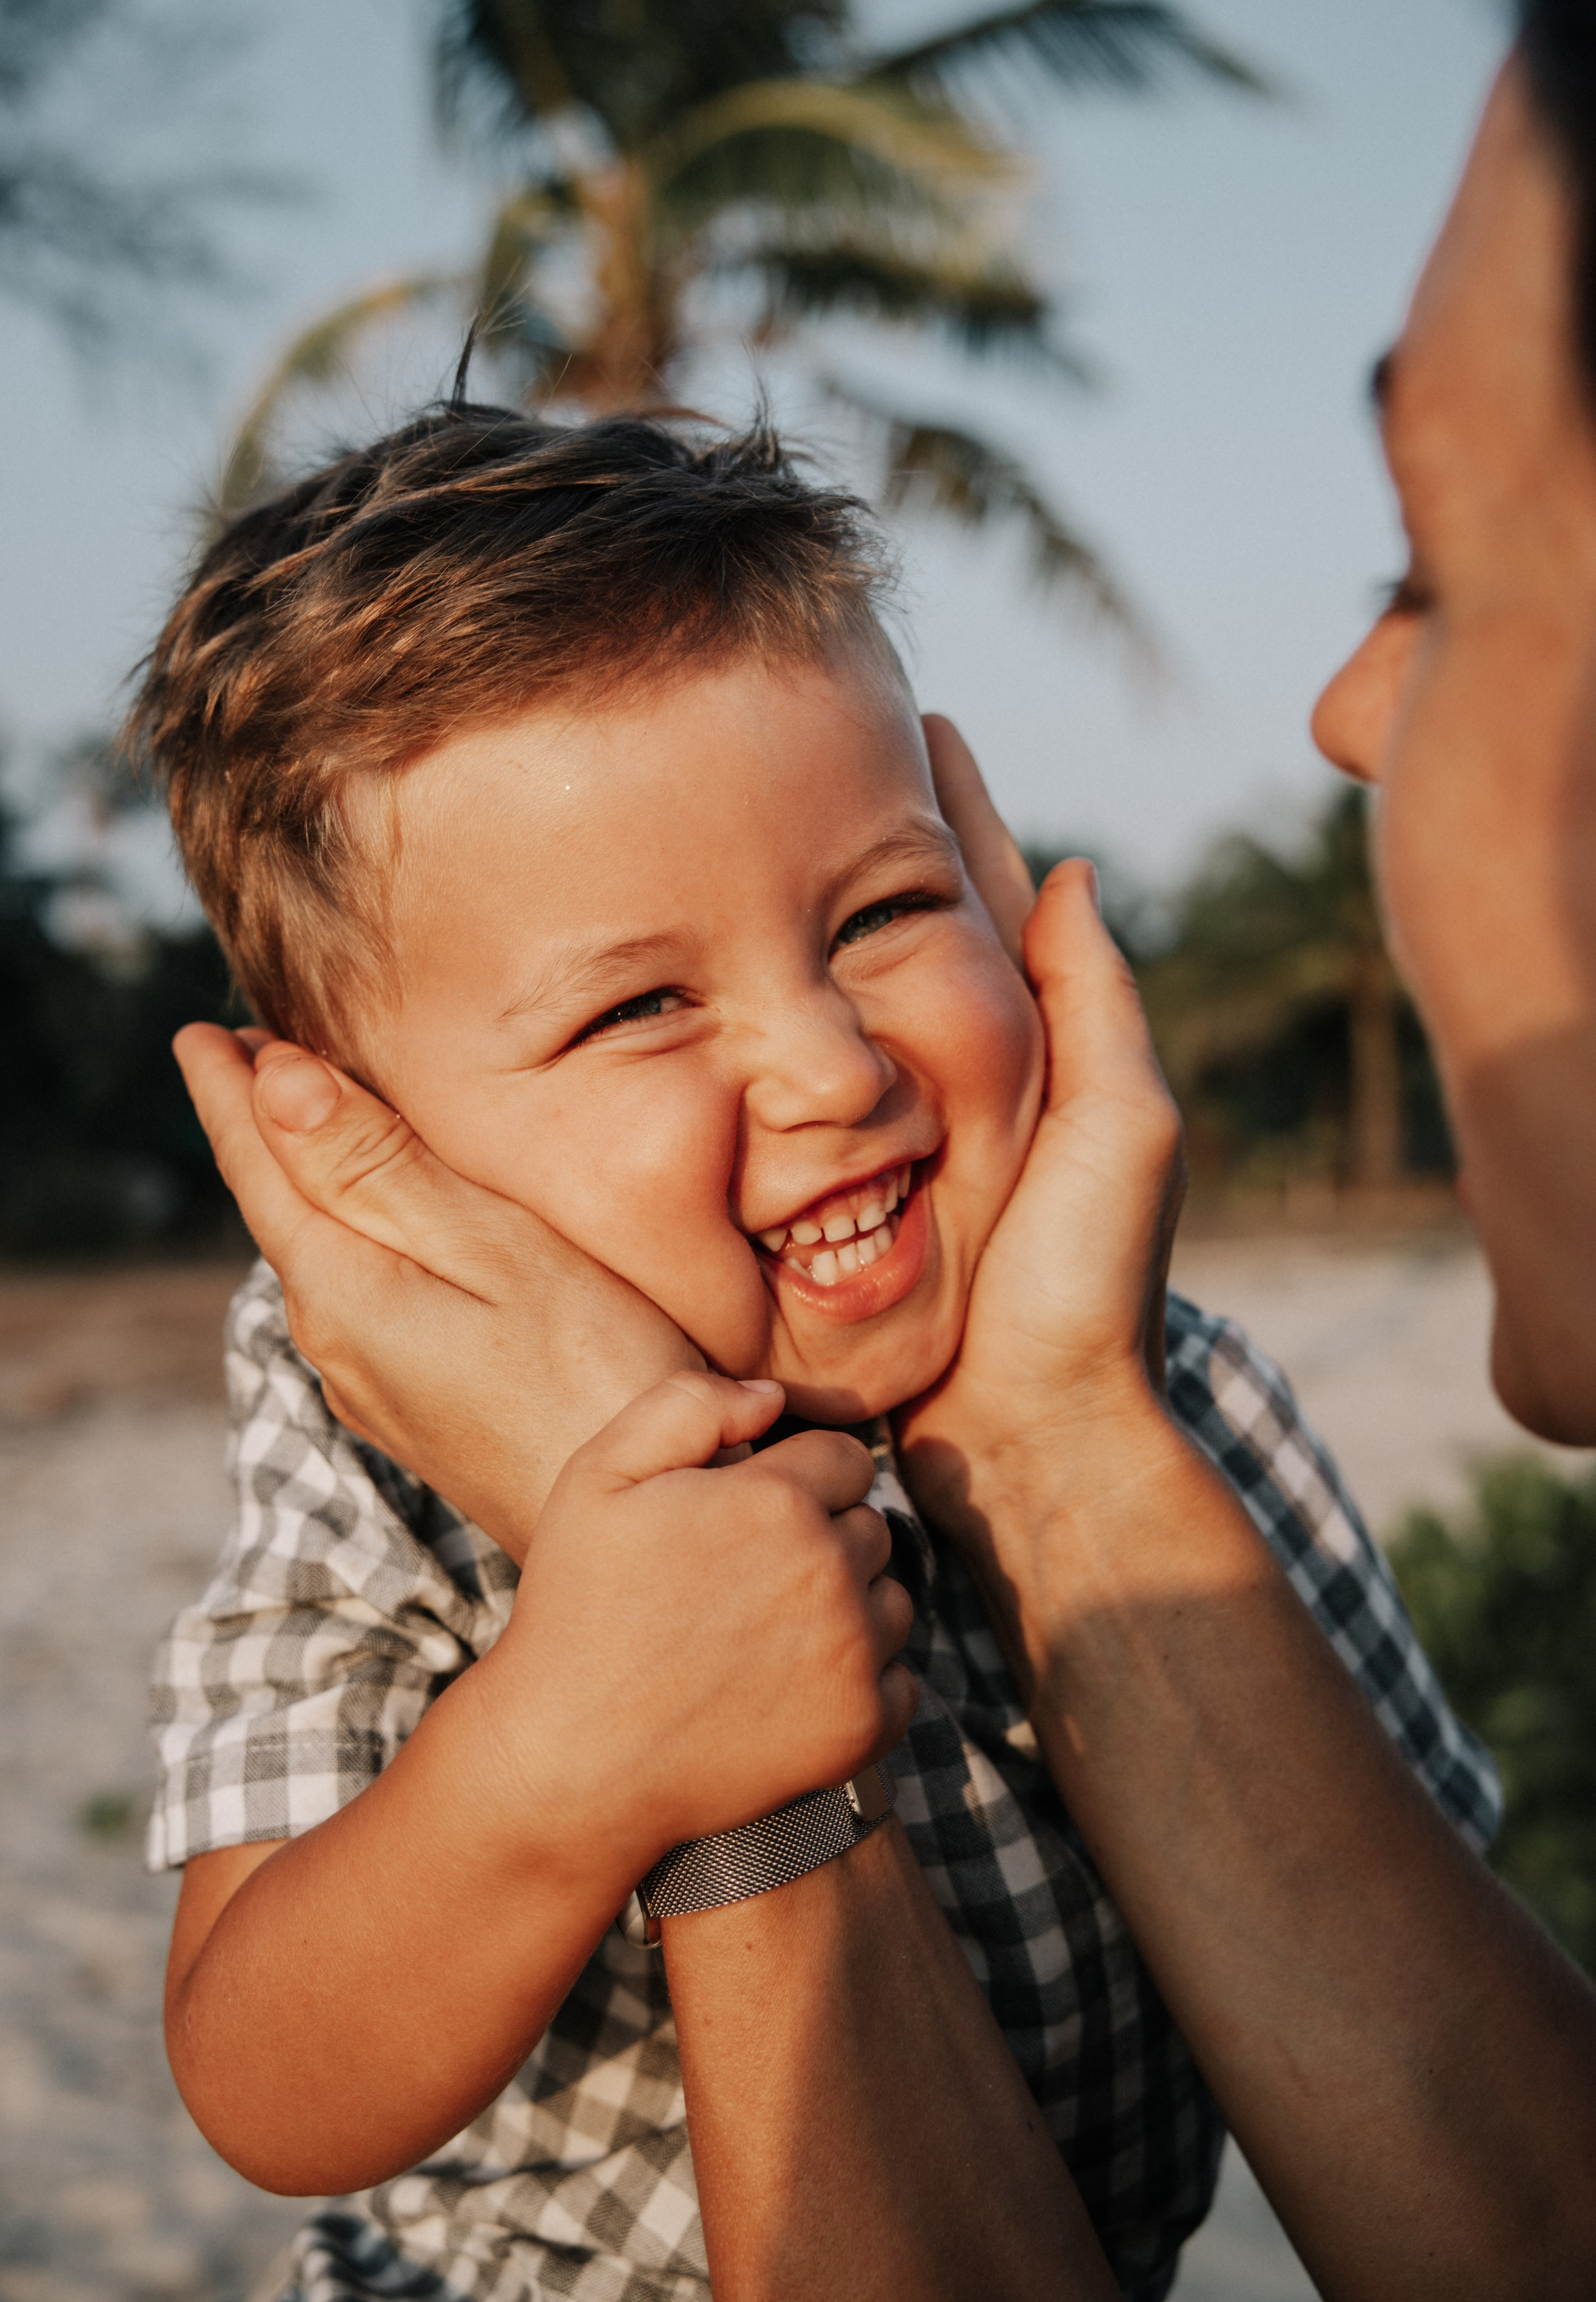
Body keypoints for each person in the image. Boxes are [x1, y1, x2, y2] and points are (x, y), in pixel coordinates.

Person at [160, 5, 1596, 2294]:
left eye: (891, 908)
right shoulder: (386, 1457)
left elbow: (1409, 1916)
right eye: (641, 1006)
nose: (832, 1061)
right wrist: (569, 1738)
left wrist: (1061, 1433)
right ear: (369, 1155)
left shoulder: (1163, 1381)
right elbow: (262, 2072)